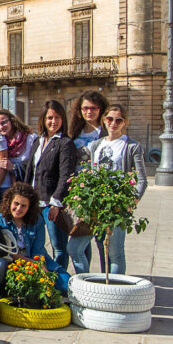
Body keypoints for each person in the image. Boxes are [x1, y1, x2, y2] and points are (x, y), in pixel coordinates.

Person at [73, 104, 147, 274]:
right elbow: (90, 173)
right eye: (110, 119)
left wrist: (131, 202)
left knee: (115, 253)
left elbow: (142, 180)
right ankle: (93, 283)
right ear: (104, 120)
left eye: (118, 120)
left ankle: (114, 287)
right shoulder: (95, 145)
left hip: (117, 204)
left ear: (124, 122)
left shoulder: (131, 146)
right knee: (82, 248)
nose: (113, 123)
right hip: (95, 204)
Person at [23, 100, 77, 272]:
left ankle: (60, 279)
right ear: (43, 119)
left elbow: (66, 175)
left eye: (57, 118)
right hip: (34, 203)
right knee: (33, 243)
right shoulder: (38, 141)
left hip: (50, 203)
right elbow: (31, 171)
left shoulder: (65, 143)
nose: (53, 122)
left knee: (58, 247)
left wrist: (56, 203)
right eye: (50, 118)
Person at [0, 183, 70, 292]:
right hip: (14, 263)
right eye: (16, 203)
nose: (18, 208)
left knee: (67, 284)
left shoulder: (37, 220)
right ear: (9, 202)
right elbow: (7, 252)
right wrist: (33, 264)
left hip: (37, 260)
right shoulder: (0, 221)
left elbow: (38, 250)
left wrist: (40, 267)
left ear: (29, 207)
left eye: (23, 206)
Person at [66, 91, 110, 272]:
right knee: (82, 237)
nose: (89, 112)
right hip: (78, 192)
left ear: (101, 109)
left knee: (102, 242)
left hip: (101, 192)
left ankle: (105, 278)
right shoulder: (74, 131)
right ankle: (84, 278)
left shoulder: (106, 131)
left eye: (93, 108)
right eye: (85, 108)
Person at [0, 109, 37, 182]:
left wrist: (14, 167)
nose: (1, 127)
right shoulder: (0, 144)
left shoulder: (31, 139)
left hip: (28, 183)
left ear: (12, 121)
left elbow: (36, 164)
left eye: (4, 122)